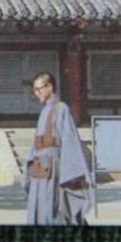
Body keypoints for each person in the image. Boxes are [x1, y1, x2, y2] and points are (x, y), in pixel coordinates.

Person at [23, 71, 93, 225]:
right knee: (40, 210)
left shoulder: (61, 108)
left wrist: (70, 173)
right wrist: (30, 162)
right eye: (34, 90)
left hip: (54, 170)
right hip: (40, 169)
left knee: (55, 211)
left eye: (39, 89)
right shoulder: (44, 111)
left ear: (49, 87)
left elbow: (70, 140)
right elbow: (37, 142)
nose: (36, 93)